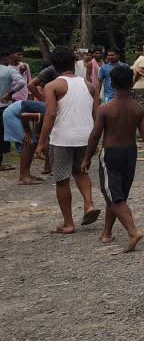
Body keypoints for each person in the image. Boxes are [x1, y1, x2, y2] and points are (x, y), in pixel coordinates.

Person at [81, 65, 144, 252]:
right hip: (130, 153)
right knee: (118, 193)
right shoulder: (138, 108)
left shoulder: (105, 108)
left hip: (111, 154)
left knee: (112, 193)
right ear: (131, 82)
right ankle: (107, 232)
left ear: (113, 83)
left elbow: (95, 135)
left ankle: (133, 231)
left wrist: (87, 157)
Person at [35, 47, 101, 234]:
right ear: (74, 63)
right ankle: (89, 204)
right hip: (86, 136)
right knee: (81, 172)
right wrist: (96, 139)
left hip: (62, 138)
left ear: (54, 67)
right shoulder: (89, 85)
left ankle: (68, 223)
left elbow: (51, 113)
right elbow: (96, 113)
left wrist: (41, 142)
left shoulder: (53, 86)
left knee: (62, 180)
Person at [3, 99, 47, 184]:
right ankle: (23, 176)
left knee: (33, 142)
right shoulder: (49, 112)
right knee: (28, 142)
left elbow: (38, 125)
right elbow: (24, 116)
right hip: (12, 114)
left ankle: (27, 174)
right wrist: (27, 131)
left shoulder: (51, 111)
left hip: (19, 113)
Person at [0, 49, 28, 170]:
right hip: (5, 106)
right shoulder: (8, 70)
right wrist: (10, 93)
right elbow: (22, 82)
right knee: (8, 132)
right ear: (4, 58)